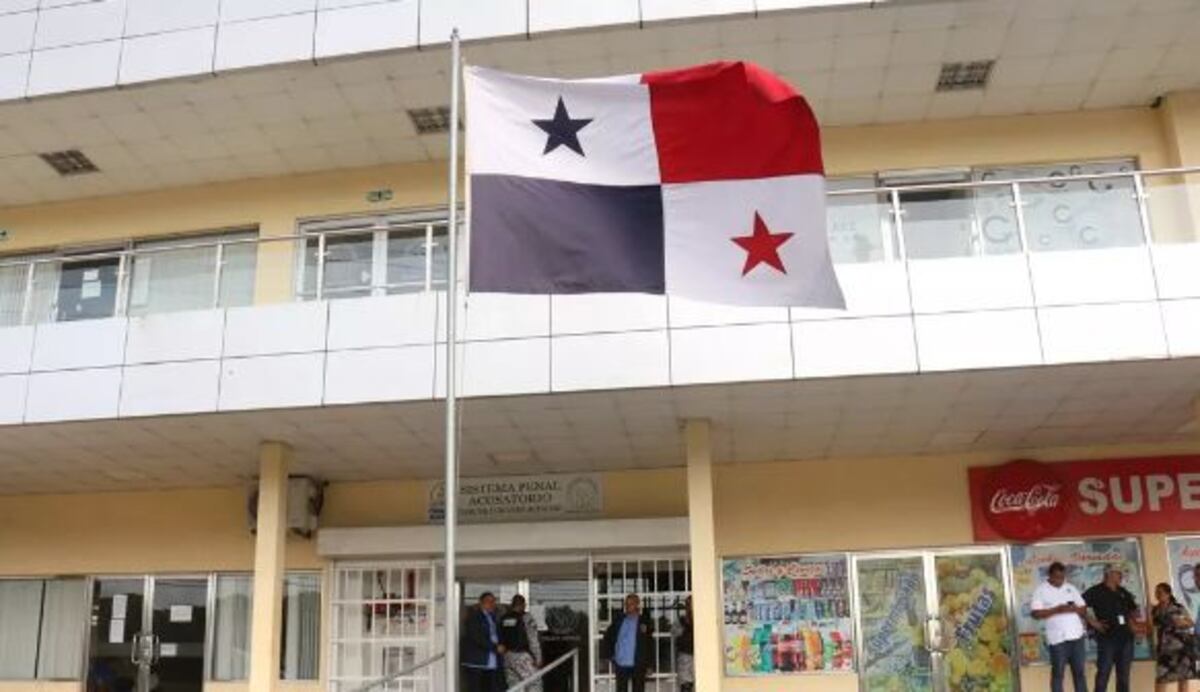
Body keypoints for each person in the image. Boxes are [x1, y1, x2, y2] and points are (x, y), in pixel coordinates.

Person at [1030, 561, 1089, 692]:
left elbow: (1084, 609)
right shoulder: (1041, 591)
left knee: (1080, 673)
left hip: (1077, 637)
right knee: (1058, 673)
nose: (1060, 580)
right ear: (1049, 576)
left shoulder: (1071, 588)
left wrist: (1073, 609)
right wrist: (1057, 610)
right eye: (1057, 577)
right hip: (1058, 640)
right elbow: (1035, 614)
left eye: (1062, 577)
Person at [1084, 566, 1140, 692]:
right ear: (1109, 574)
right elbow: (1079, 606)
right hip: (1107, 638)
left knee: (1124, 676)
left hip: (1126, 638)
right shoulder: (1095, 591)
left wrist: (1135, 618)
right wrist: (1093, 623)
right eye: (1118, 573)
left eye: (1121, 574)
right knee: (1104, 673)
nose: (1121, 576)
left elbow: (1133, 610)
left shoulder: (1123, 592)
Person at [603, 593, 654, 692]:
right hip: (621, 663)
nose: (627, 606)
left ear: (637, 604)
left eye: (630, 604)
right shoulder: (619, 620)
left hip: (638, 663)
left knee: (638, 689)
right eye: (626, 604)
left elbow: (649, 644)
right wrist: (610, 655)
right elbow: (608, 637)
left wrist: (650, 665)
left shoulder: (644, 621)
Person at [1152, 582, 1196, 691]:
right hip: (1164, 650)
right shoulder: (1155, 610)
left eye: (1160, 592)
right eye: (1156, 592)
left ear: (1168, 594)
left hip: (1181, 648)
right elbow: (1153, 627)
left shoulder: (1178, 607)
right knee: (1161, 678)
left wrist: (1181, 622)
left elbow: (1190, 623)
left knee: (1183, 678)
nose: (1157, 594)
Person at [462, 592, 506, 692]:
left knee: (491, 688)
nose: (492, 604)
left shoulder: (494, 617)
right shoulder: (474, 617)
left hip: (491, 662)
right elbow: (477, 637)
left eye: (493, 601)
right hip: (476, 661)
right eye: (488, 601)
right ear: (481, 603)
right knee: (476, 688)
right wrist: (495, 647)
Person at [499, 594, 543, 692]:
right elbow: (533, 639)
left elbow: (501, 638)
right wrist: (538, 657)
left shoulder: (504, 618)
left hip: (508, 657)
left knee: (514, 687)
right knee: (535, 683)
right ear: (523, 605)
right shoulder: (526, 617)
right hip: (523, 657)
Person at [674, 596, 695, 692]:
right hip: (685, 656)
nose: (689, 607)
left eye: (691, 604)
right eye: (688, 604)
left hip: (701, 656)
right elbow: (674, 632)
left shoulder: (703, 619)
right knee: (685, 685)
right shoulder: (681, 620)